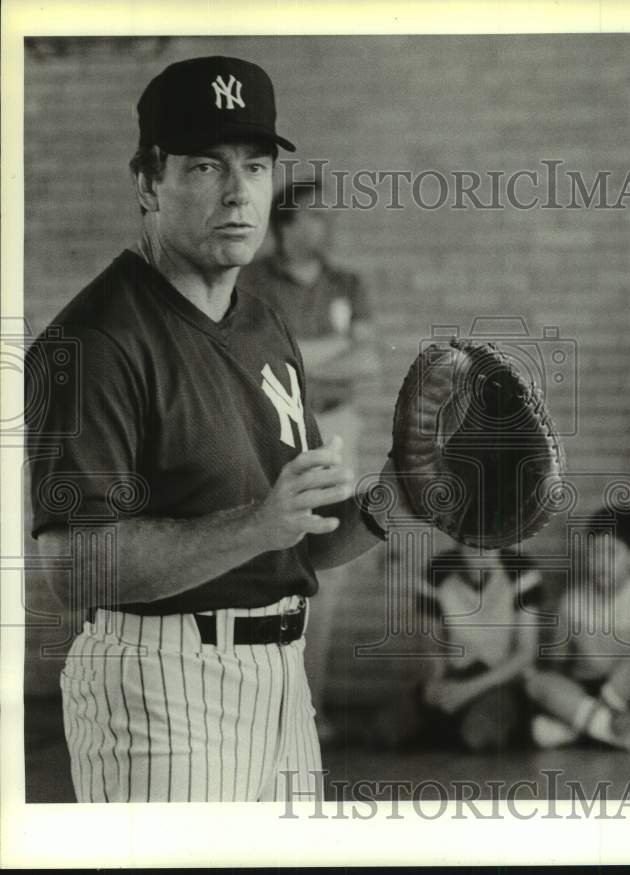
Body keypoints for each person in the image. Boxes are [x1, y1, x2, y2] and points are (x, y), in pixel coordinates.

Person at [26, 56, 396, 803]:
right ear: (146, 181)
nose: (238, 193)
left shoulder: (264, 324)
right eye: (205, 166)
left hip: (283, 688)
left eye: (255, 167)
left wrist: (401, 498)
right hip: (161, 688)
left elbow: (304, 541)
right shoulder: (94, 342)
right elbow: (73, 571)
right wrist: (259, 522)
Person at [239, 178, 380, 744]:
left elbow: (368, 361)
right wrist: (326, 351)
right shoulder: (252, 281)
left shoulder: (348, 283)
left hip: (334, 429)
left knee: (325, 567)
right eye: (315, 216)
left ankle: (308, 706)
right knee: (266, 557)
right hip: (267, 431)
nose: (327, 225)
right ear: (286, 224)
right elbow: (251, 358)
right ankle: (259, 710)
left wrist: (294, 353)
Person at [525, 507, 630, 751]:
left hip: (627, 695)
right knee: (536, 682)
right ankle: (616, 733)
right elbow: (558, 666)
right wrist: (560, 697)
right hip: (584, 693)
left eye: (611, 553)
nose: (600, 562)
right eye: (594, 553)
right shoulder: (571, 602)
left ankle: (583, 730)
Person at [408, 544, 541, 751]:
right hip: (457, 675)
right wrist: (434, 679)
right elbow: (430, 644)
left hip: (501, 682)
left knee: (476, 735)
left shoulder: (519, 568)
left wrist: (469, 690)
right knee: (388, 731)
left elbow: (526, 653)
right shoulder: (438, 569)